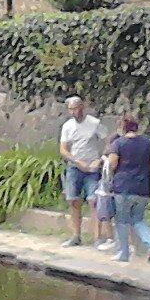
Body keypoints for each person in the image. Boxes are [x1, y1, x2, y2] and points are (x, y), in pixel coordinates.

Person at [105, 114, 150, 262]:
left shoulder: (118, 143)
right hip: (143, 187)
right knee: (138, 219)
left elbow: (113, 164)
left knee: (122, 220)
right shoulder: (148, 143)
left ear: (123, 127)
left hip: (123, 186)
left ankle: (124, 253)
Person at [57, 96, 108, 247]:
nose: (74, 112)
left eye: (76, 108)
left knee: (93, 200)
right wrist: (75, 160)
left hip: (92, 167)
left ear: (82, 107)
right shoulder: (67, 126)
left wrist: (99, 159)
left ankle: (98, 237)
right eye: (71, 109)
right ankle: (76, 235)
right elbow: (63, 149)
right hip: (75, 166)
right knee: (73, 200)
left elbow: (107, 142)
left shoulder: (94, 123)